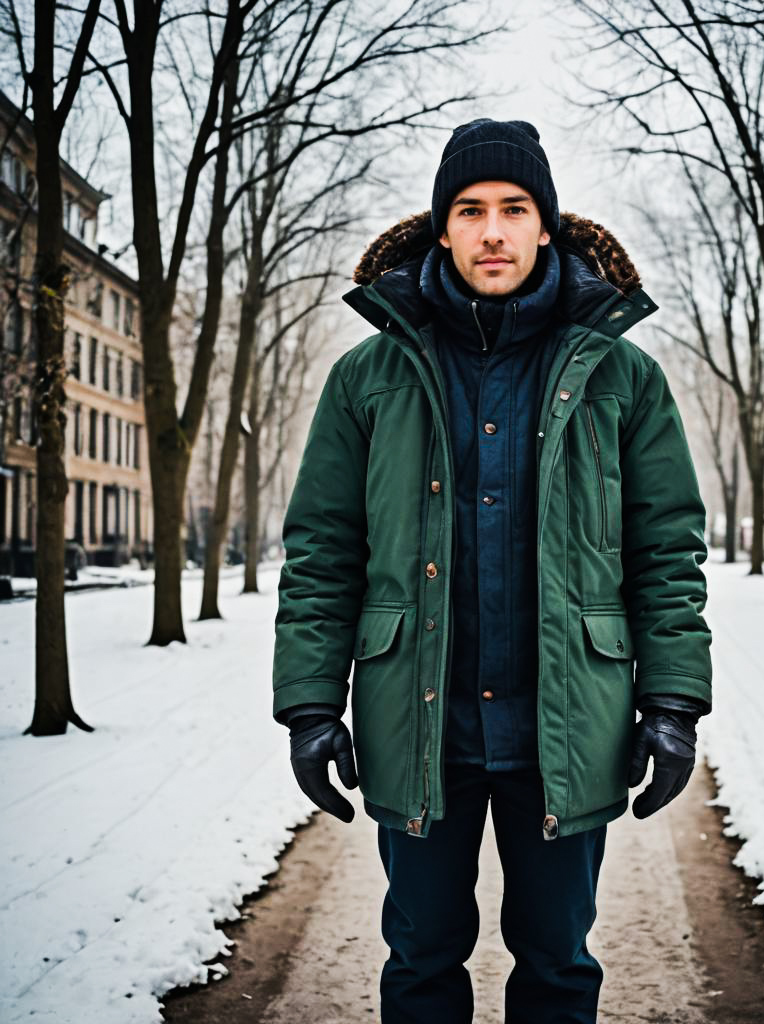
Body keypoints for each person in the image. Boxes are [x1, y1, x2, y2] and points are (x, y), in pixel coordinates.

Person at [272, 118, 712, 1024]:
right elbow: (323, 553)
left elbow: (666, 553)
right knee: (421, 963)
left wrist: (673, 704)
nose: (494, 231)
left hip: (567, 727)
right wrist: (311, 707)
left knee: (557, 967)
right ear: (442, 228)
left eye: (515, 209)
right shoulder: (367, 377)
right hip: (417, 723)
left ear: (547, 224)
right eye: (470, 211)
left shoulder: (622, 378)